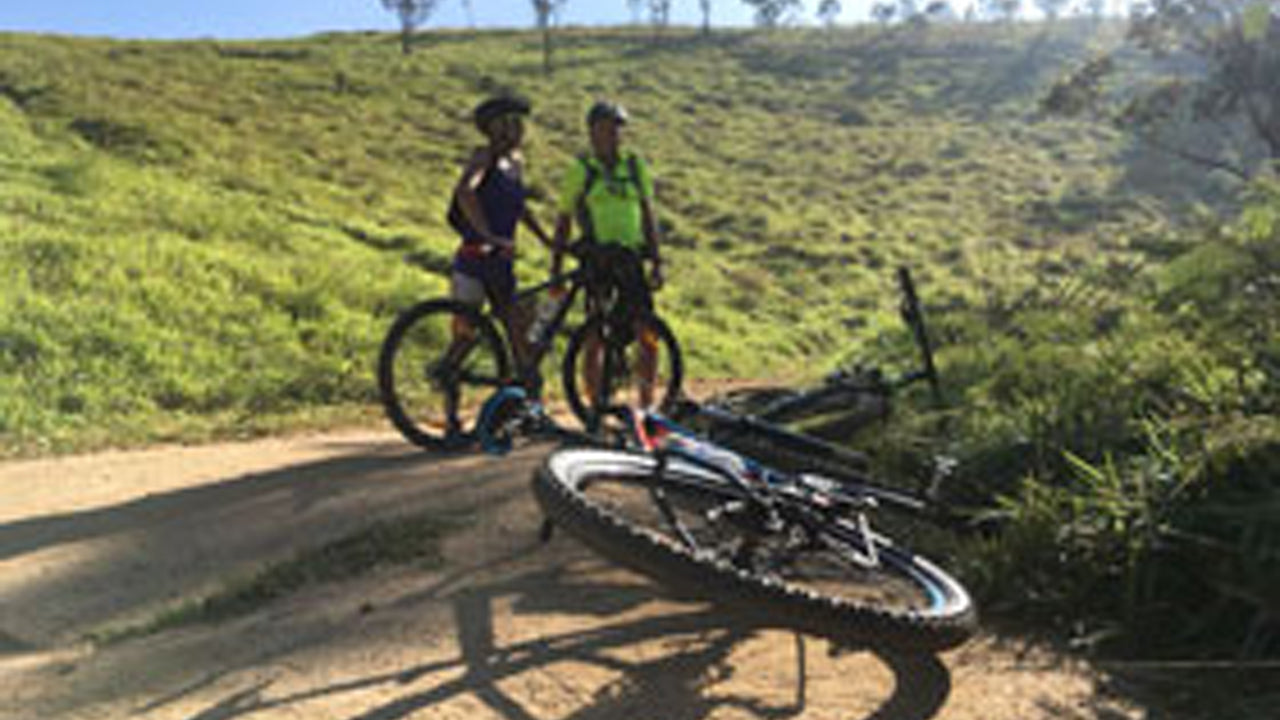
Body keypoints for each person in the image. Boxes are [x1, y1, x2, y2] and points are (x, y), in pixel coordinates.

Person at [443, 94, 551, 431]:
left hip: (501, 264)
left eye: (519, 124)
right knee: (464, 338)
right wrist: (487, 234)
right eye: (510, 123)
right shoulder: (483, 157)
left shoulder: (516, 163)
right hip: (474, 260)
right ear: (494, 129)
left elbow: (520, 208)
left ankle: (523, 409)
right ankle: (451, 416)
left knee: (519, 336)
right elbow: (465, 192)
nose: (517, 130)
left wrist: (548, 240)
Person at [551, 100, 665, 409]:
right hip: (597, 261)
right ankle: (595, 407)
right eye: (605, 128)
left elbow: (648, 214)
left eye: (617, 128)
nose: (613, 135)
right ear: (592, 131)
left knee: (648, 334)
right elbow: (563, 219)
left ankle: (647, 406)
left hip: (630, 259)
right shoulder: (582, 170)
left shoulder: (634, 166)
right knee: (594, 336)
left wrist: (657, 260)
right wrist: (556, 268)